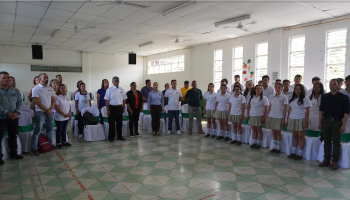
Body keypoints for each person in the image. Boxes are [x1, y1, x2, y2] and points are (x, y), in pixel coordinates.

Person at [318, 79, 349, 170]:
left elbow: (346, 112)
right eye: (330, 84)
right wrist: (320, 122)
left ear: (338, 85)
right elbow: (321, 110)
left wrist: (344, 125)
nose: (332, 86)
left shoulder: (344, 97)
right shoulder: (325, 97)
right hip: (326, 121)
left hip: (337, 121)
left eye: (334, 84)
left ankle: (334, 161)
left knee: (336, 142)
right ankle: (326, 159)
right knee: (326, 141)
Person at [31, 73, 57, 156]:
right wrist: (46, 110)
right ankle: (34, 148)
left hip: (50, 112)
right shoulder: (36, 88)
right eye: (45, 77)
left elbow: (53, 100)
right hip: (40, 112)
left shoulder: (50, 89)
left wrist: (50, 109)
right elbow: (37, 101)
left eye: (47, 77)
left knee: (50, 129)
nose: (46, 79)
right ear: (40, 78)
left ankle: (50, 144)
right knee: (37, 131)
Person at [0, 71, 23, 165]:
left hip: (14, 117)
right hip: (2, 118)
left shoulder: (14, 90)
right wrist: (7, 113)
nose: (7, 79)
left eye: (8, 77)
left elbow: (19, 102)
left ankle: (14, 153)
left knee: (13, 136)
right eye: (4, 77)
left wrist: (16, 112)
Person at [286, 84, 311, 160]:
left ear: (302, 90)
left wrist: (305, 122)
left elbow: (307, 111)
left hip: (301, 119)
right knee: (294, 136)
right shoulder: (292, 98)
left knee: (301, 136)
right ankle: (293, 152)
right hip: (293, 118)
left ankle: (299, 153)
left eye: (299, 89)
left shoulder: (305, 99)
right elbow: (290, 110)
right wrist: (288, 119)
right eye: (296, 89)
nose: (297, 90)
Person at [266, 83, 288, 154]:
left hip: (279, 117)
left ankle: (278, 148)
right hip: (272, 116)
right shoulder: (271, 96)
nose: (277, 89)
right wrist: (267, 115)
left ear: (282, 88)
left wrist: (283, 119)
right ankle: (274, 147)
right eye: (276, 87)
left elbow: (285, 109)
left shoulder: (284, 97)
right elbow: (270, 107)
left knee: (278, 132)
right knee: (273, 132)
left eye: (279, 87)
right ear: (274, 88)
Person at [105, 76, 127, 141]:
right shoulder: (109, 89)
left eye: (118, 81)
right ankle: (111, 137)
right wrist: (108, 109)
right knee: (112, 123)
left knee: (120, 123)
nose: (117, 82)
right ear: (112, 82)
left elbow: (124, 99)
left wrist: (123, 107)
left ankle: (120, 136)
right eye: (116, 81)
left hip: (120, 107)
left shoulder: (121, 89)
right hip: (112, 108)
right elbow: (106, 100)